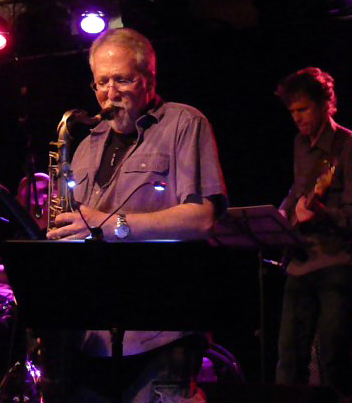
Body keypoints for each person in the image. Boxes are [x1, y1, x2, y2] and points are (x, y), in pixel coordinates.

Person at [45, 28, 227, 402]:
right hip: (92, 331)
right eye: (102, 82)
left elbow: (203, 219)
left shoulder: (184, 123)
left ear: (149, 80)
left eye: (122, 80)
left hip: (162, 326)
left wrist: (111, 225)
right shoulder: (85, 145)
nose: (110, 93)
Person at [275, 67, 352, 397]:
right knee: (289, 361)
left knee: (334, 360)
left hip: (337, 265)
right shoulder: (299, 144)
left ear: (324, 104)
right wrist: (283, 214)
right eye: (292, 111)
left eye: (303, 109)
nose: (296, 118)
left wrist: (321, 213)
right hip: (301, 262)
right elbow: (297, 190)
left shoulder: (351, 146)